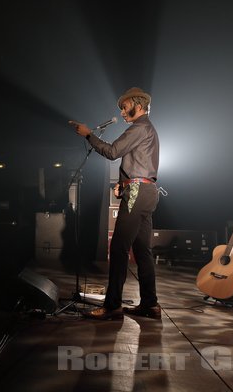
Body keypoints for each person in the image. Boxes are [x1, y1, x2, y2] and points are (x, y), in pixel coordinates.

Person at [71, 87, 161, 320]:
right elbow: (139, 163)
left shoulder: (139, 127)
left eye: (125, 106)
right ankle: (150, 305)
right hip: (147, 190)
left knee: (119, 248)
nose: (121, 111)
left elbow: (112, 152)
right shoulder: (149, 129)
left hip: (138, 191)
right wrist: (125, 183)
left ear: (138, 105)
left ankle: (112, 306)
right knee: (142, 251)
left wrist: (89, 135)